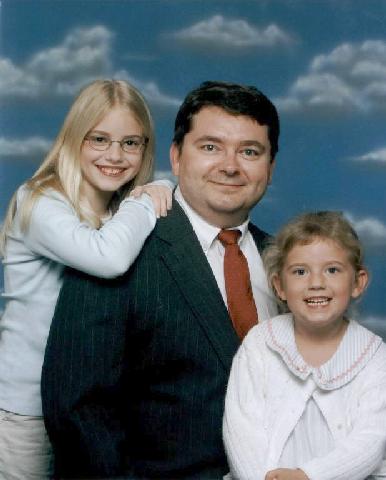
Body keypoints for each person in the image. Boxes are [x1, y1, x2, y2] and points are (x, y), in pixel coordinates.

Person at [42, 80, 280, 479]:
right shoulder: (117, 250)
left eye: (250, 151)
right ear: (176, 156)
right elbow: (76, 410)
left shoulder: (290, 261)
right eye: (210, 147)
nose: (230, 165)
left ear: (270, 167)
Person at [0, 79, 173, 479]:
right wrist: (146, 198)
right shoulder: (39, 200)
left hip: (90, 409)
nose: (115, 155)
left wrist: (159, 185)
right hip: (27, 410)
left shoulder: (119, 212)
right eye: (99, 139)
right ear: (75, 138)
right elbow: (107, 257)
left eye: (131, 143)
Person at [223, 211, 386, 480]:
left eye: (332, 270)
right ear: (280, 286)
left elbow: (370, 438)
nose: (316, 283)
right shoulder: (261, 343)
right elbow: (241, 427)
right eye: (300, 272)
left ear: (358, 282)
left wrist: (310, 476)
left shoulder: (374, 356)